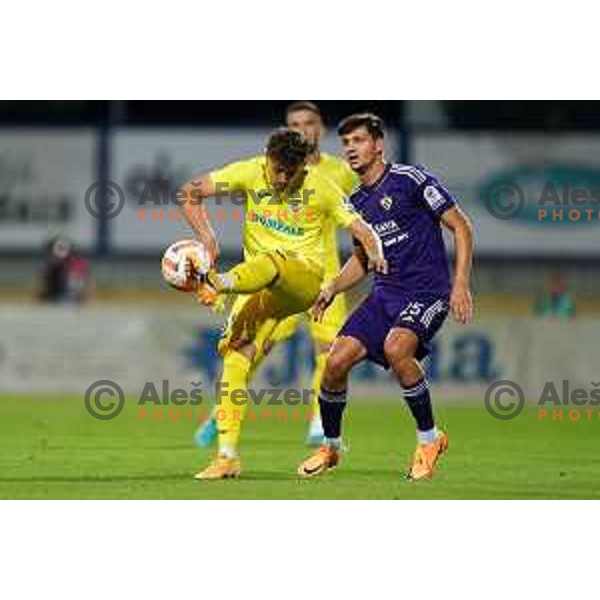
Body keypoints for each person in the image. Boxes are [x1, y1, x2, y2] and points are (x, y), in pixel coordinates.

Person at [179, 128, 385, 479]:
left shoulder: (321, 187)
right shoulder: (249, 171)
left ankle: (220, 282)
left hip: (302, 281)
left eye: (292, 172)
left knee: (274, 260)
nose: (283, 178)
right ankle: (226, 457)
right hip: (259, 288)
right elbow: (189, 193)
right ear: (266, 158)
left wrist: (377, 253)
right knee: (234, 360)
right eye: (278, 169)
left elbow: (363, 230)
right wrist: (208, 239)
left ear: (305, 165)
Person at [297, 113, 474, 481]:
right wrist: (331, 287)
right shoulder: (356, 202)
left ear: (378, 145)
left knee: (397, 349)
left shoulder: (411, 180)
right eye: (346, 143)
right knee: (335, 362)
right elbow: (362, 260)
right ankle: (331, 447)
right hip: (383, 297)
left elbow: (462, 226)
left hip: (427, 292)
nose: (351, 149)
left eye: (358, 141)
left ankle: (429, 439)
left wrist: (460, 284)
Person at [193, 101, 358, 448]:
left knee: (330, 350)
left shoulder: (341, 172)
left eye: (309, 122)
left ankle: (318, 422)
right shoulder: (266, 172)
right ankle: (219, 413)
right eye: (294, 123)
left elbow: (359, 215)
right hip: (275, 278)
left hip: (324, 277)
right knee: (254, 349)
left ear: (321, 128)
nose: (302, 129)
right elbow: (193, 192)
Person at [35, 236, 94, 304]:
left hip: (69, 302)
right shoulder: (47, 266)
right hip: (56, 301)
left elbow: (88, 285)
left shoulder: (77, 265)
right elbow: (39, 289)